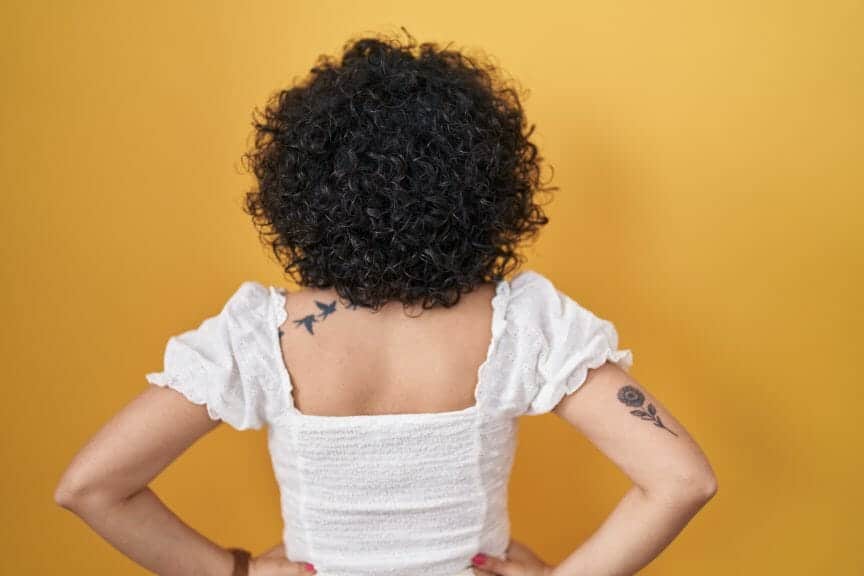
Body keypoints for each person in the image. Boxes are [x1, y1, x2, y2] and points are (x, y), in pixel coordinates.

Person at [54, 27, 716, 576]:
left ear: (303, 189)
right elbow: (683, 480)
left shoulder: (264, 334)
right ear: (485, 190)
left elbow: (90, 487)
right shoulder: (521, 325)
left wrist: (232, 571)